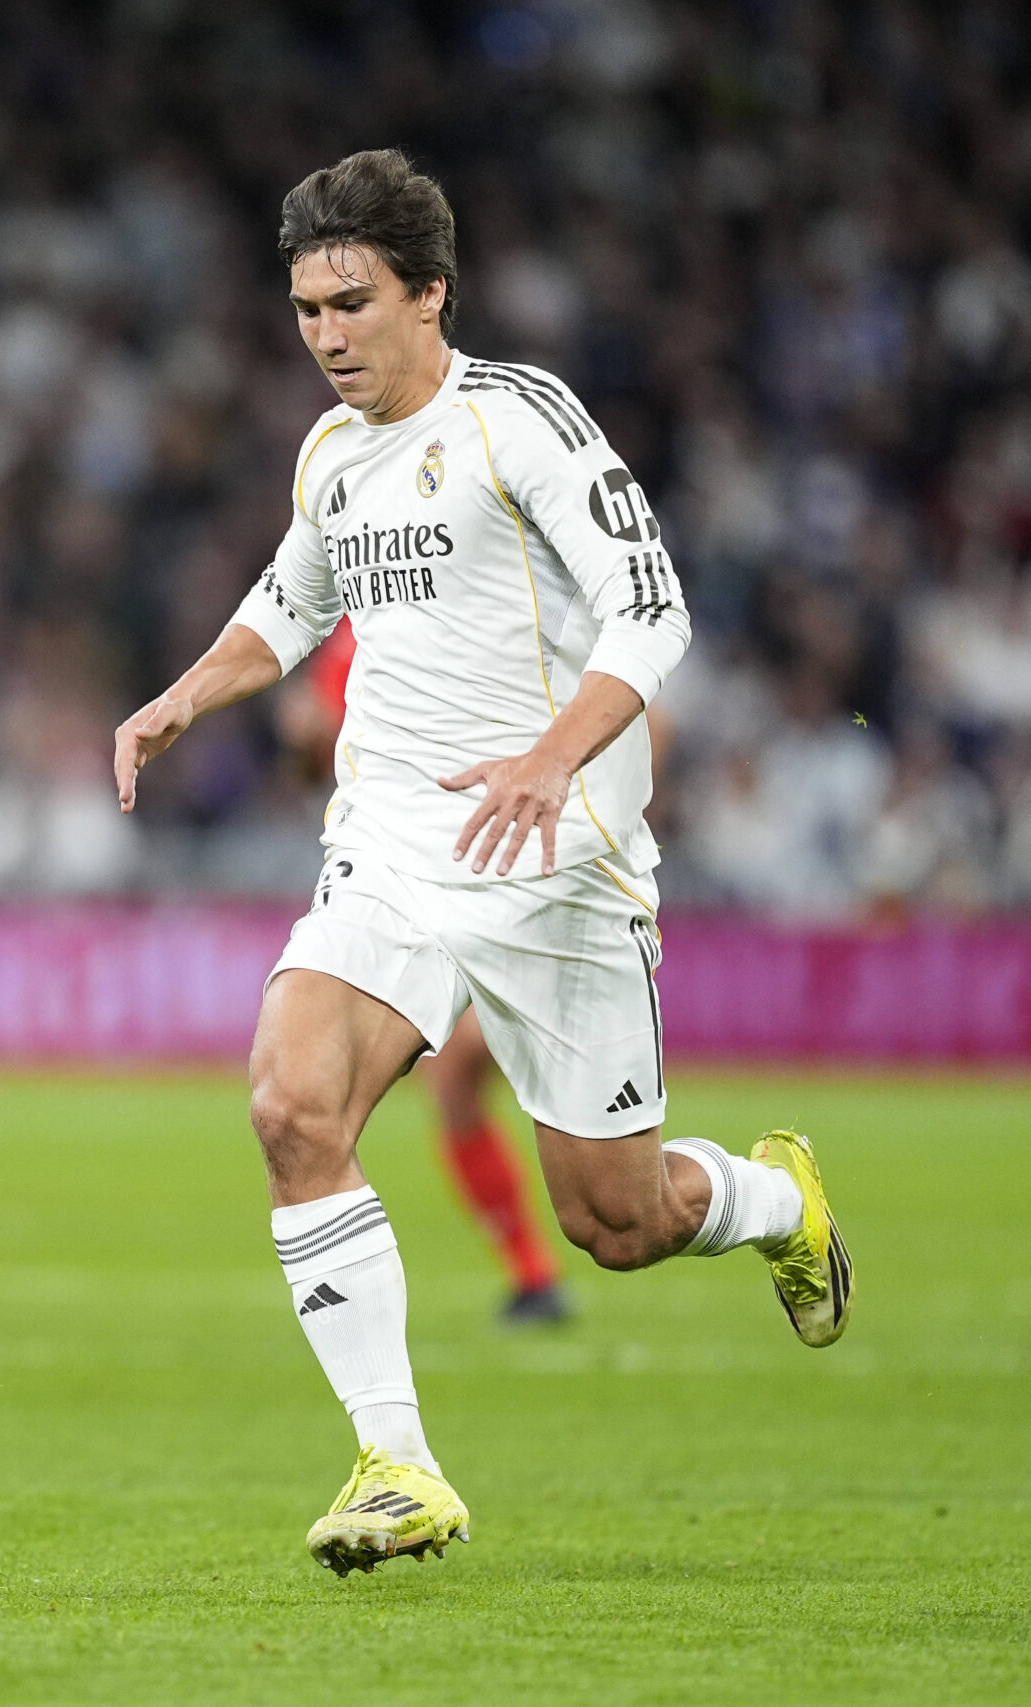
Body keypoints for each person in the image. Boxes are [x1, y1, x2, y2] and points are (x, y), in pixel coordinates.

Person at [112, 150, 852, 1578]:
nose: (326, 334)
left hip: (557, 853)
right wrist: (182, 694)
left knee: (616, 1220)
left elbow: (654, 611)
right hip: (393, 837)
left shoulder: (522, 422)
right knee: (289, 1105)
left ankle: (779, 1203)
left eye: (353, 302)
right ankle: (398, 1461)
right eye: (306, 308)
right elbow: (288, 602)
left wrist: (549, 755)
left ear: (431, 294)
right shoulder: (331, 456)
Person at [289, 625, 570, 1327]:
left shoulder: (470, 601)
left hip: (514, 872)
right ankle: (533, 1276)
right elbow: (319, 738)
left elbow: (315, 730)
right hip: (432, 875)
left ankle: (545, 1264)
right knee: (456, 1080)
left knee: (610, 1195)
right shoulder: (361, 628)